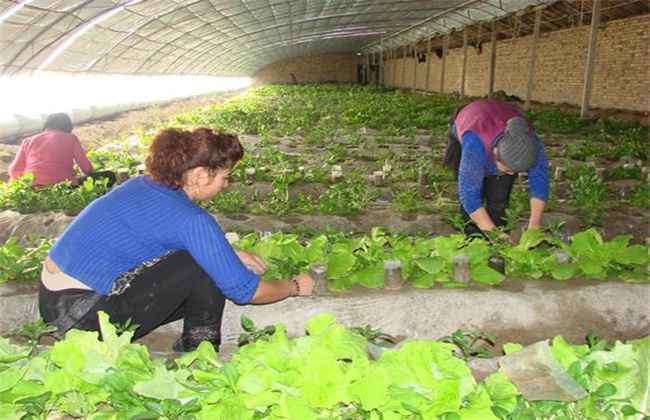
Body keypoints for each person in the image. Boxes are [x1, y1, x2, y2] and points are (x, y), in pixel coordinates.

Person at [39, 127, 314, 351]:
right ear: (199, 175)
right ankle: (199, 349)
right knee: (204, 268)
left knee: (204, 260)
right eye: (224, 177)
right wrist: (293, 286)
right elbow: (246, 292)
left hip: (52, 301)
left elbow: (160, 231)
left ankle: (195, 344)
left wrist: (227, 252)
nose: (226, 185)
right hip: (84, 318)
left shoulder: (140, 184)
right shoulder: (192, 220)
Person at [443, 99, 549, 239]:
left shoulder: (531, 146)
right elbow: (469, 196)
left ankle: (498, 231)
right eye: (507, 169)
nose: (512, 173)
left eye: (515, 171)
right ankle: (473, 238)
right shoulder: (475, 143)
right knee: (473, 193)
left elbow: (540, 185)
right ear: (494, 152)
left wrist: (535, 225)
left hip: (500, 117)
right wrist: (495, 235)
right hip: (473, 119)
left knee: (499, 198)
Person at [9, 113, 116, 187]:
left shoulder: (28, 140)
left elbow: (14, 171)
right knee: (109, 175)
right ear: (67, 127)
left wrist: (34, 180)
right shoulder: (71, 138)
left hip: (33, 188)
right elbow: (86, 168)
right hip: (65, 186)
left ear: (47, 125)